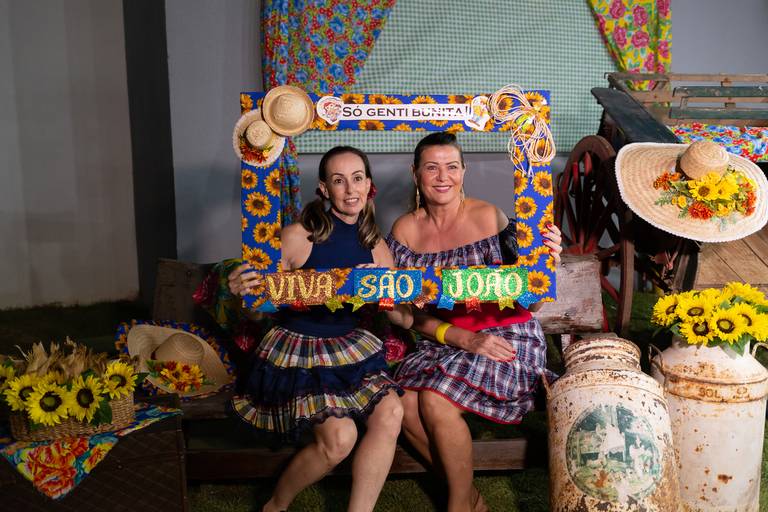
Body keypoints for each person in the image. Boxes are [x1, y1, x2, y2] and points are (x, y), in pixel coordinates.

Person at [228, 146, 413, 512]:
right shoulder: (298, 236)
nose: (350, 189)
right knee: (340, 439)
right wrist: (243, 294)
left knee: (392, 413)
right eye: (339, 181)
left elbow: (405, 320)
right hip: (299, 350)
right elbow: (257, 313)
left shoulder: (376, 246)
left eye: (357, 179)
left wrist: (385, 290)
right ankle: (275, 505)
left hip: (351, 350)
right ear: (325, 189)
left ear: (369, 185)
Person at [386, 132, 562, 512]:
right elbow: (412, 317)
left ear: (464, 171)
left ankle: (457, 506)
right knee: (402, 403)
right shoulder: (404, 232)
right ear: (415, 174)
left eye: (452, 167)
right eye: (431, 168)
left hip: (508, 334)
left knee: (434, 400)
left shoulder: (489, 217)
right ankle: (470, 499)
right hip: (447, 340)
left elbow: (531, 298)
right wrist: (463, 339)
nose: (442, 177)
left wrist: (548, 262)